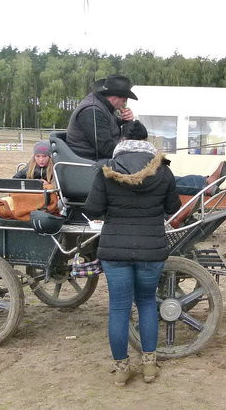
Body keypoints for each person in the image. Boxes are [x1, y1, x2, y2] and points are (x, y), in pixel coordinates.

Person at [84, 120, 181, 387]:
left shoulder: (107, 170)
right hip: (151, 250)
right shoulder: (163, 171)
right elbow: (173, 208)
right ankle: (149, 366)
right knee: (147, 304)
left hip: (115, 250)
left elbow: (92, 210)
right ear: (146, 141)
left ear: (122, 140)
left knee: (119, 308)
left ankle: (122, 368)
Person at [66, 74, 226, 195]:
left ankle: (202, 184)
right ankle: (203, 184)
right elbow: (106, 147)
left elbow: (107, 133)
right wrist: (137, 153)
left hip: (100, 160)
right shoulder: (92, 111)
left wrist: (122, 121)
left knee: (156, 169)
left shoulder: (100, 107)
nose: (124, 104)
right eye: (124, 100)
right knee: (152, 176)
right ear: (116, 97)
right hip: (91, 165)